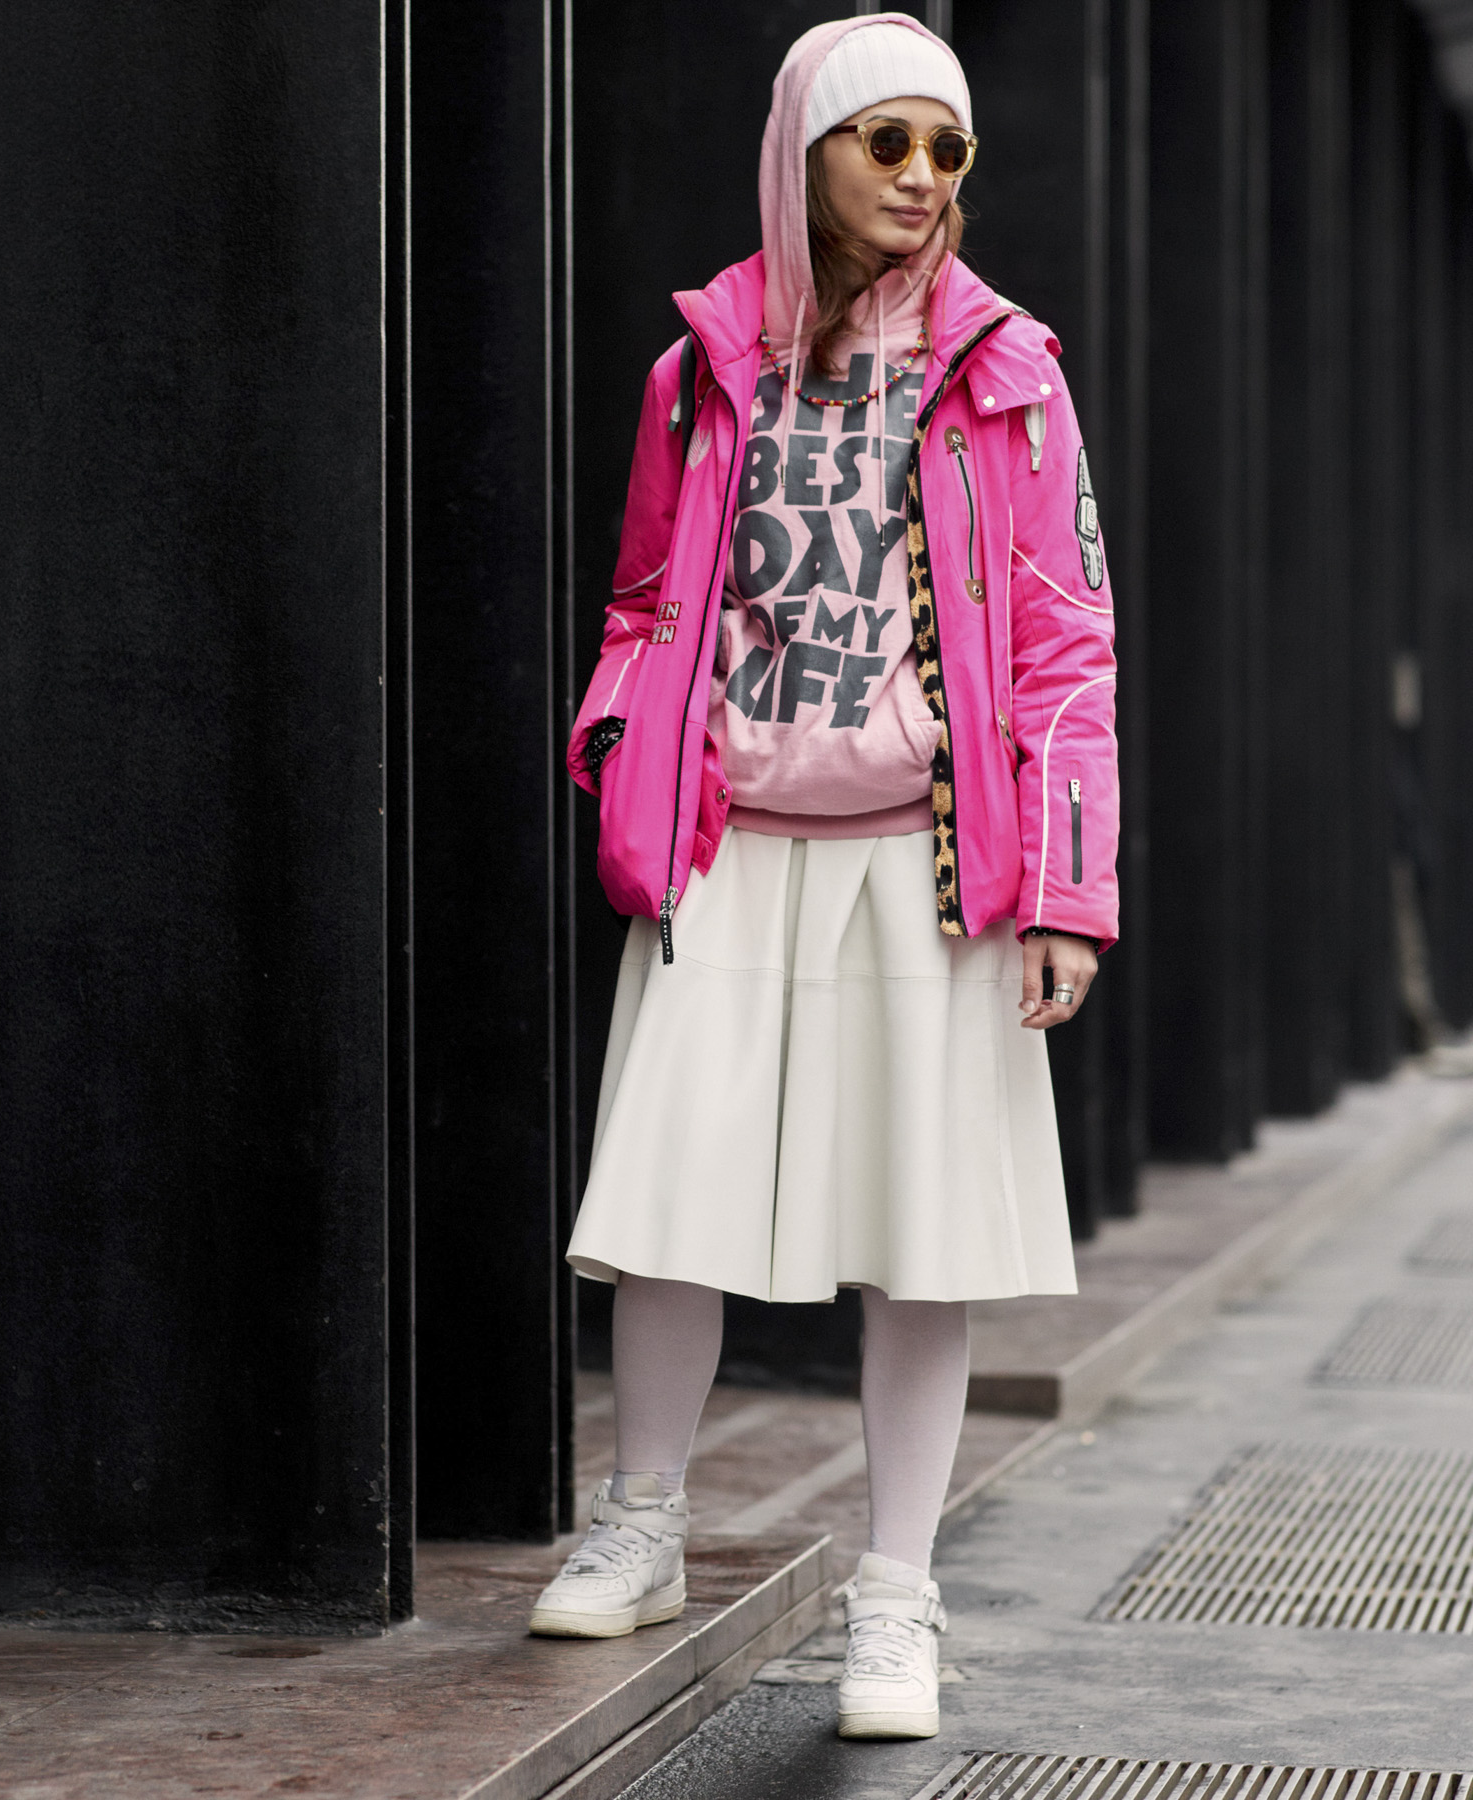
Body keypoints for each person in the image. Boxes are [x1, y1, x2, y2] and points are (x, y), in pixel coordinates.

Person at [534, 17, 1118, 1744]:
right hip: (731, 837)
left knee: (922, 1236)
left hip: (931, 855)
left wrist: (1067, 891)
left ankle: (897, 1592)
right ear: (807, 153)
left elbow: (1067, 646)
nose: (924, 179)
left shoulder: (1010, 373)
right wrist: (627, 746)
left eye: (949, 151)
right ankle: (643, 1522)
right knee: (667, 1200)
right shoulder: (701, 369)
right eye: (889, 143)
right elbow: (647, 600)